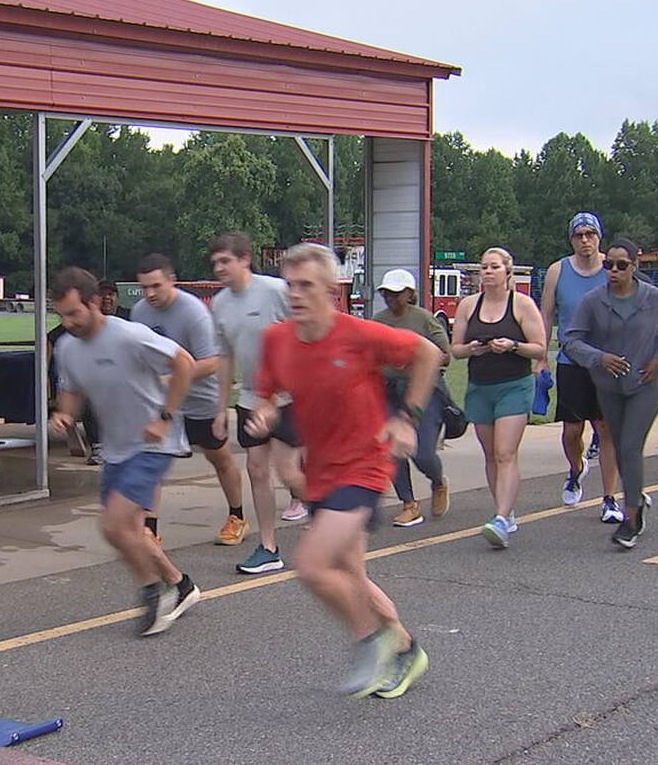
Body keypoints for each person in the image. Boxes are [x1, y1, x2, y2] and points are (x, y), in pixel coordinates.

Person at [245, 242, 438, 698]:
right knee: (351, 575)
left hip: (366, 466)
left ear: (331, 291)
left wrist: (407, 416)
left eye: (306, 285)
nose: (295, 294)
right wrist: (266, 413)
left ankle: (371, 642)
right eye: (290, 284)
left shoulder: (359, 334)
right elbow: (268, 394)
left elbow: (429, 354)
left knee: (312, 564)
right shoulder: (276, 341)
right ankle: (407, 649)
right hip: (322, 472)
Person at [49, 267, 201, 636]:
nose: (68, 322)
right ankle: (181, 586)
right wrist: (65, 414)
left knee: (114, 525)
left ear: (94, 302)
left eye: (74, 313)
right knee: (131, 531)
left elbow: (185, 363)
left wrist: (165, 417)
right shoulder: (67, 347)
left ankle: (154, 595)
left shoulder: (130, 335)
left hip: (154, 443)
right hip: (117, 449)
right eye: (61, 315)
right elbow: (71, 389)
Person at [564, 238, 658, 549]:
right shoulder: (593, 301)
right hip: (608, 385)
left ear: (634, 266)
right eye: (608, 265)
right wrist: (598, 357)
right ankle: (637, 495)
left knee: (629, 446)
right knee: (617, 445)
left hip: (646, 383)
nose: (613, 271)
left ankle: (631, 518)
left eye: (621, 265)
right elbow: (572, 340)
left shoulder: (653, 298)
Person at [132, 253, 246, 547]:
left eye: (156, 286)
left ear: (172, 280)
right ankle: (150, 529)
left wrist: (173, 379)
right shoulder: (140, 312)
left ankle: (237, 515)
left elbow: (212, 362)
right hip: (163, 403)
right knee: (153, 460)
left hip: (199, 400)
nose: (150, 294)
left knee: (218, 457)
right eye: (144, 287)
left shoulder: (193, 312)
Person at [209, 232, 306, 575]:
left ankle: (337, 513)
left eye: (226, 261)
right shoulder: (219, 304)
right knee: (256, 469)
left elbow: (304, 334)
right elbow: (224, 357)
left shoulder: (276, 291)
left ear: (245, 259)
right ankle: (269, 546)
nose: (220, 268)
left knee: (288, 470)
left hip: (287, 396)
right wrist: (221, 408)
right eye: (216, 262)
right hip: (250, 397)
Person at [450, 248, 547, 548]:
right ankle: (504, 509)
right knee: (491, 453)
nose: (488, 272)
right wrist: (473, 349)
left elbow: (540, 348)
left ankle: (501, 518)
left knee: (505, 452)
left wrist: (514, 345)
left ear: (508, 272)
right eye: (484, 268)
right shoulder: (468, 305)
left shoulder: (522, 305)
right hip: (480, 385)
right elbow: (456, 349)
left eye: (494, 267)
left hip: (514, 385)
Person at [538, 212, 622, 521]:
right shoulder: (558, 271)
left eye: (590, 234)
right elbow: (546, 315)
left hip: (605, 360)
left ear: (599, 236)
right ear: (572, 239)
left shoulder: (612, 268)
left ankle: (610, 497)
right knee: (573, 429)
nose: (585, 240)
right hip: (571, 359)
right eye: (579, 235)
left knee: (606, 428)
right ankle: (576, 468)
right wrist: (540, 356)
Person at [374, 268, 450, 527]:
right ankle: (408, 503)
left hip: (424, 391)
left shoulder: (424, 319)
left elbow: (445, 354)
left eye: (396, 294)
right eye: (386, 294)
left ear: (409, 294)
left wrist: (416, 359)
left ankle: (438, 482)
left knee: (423, 452)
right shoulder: (378, 321)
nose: (391, 299)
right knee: (392, 446)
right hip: (389, 390)